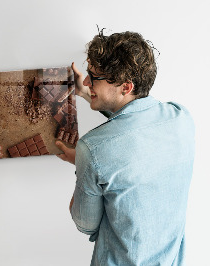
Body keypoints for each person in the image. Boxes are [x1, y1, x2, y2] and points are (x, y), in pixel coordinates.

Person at [56, 31, 195, 265]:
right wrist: (84, 92)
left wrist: (84, 164)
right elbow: (135, 123)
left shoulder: (92, 149)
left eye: (94, 77)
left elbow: (85, 224)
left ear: (126, 86)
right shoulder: (181, 118)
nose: (87, 81)